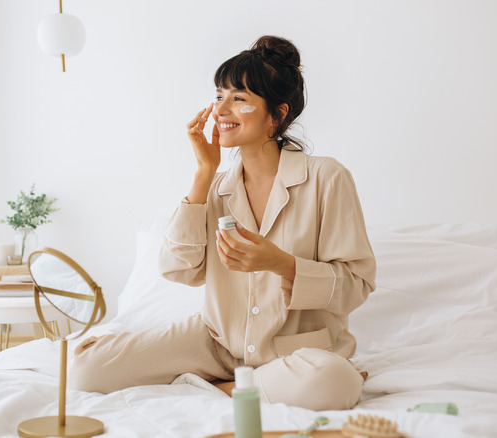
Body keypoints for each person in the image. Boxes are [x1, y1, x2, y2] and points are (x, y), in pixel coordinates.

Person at [70, 35, 376, 411]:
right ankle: (244, 384)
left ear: (277, 115)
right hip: (218, 342)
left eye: (239, 98)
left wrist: (279, 263)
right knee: (86, 367)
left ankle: (229, 388)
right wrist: (203, 173)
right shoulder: (216, 187)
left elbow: (356, 287)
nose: (221, 110)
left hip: (294, 352)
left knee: (334, 381)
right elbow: (178, 269)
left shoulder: (326, 177)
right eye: (219, 96)